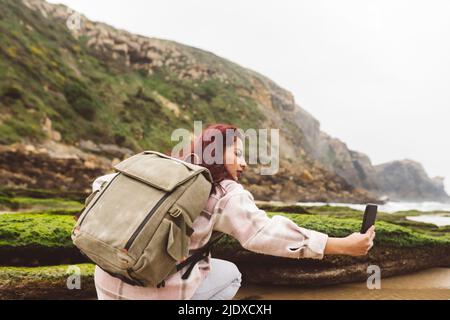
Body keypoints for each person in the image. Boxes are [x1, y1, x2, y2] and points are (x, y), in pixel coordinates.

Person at [93, 124, 376, 300]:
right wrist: (341, 245)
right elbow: (263, 233)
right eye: (237, 154)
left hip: (107, 281)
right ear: (215, 153)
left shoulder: (157, 168)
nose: (244, 163)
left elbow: (101, 185)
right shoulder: (222, 192)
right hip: (157, 294)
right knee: (230, 273)